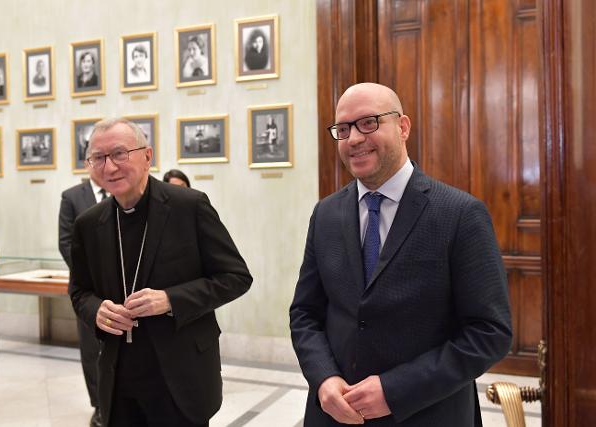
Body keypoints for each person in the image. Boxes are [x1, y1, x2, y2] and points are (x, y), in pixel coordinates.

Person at [289, 83, 512, 426]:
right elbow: (305, 313)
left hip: (428, 413)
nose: (353, 139)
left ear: (403, 126)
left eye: (368, 123)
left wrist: (395, 390)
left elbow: (489, 332)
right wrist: (323, 378)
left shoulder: (460, 213)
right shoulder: (326, 214)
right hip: (334, 415)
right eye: (343, 129)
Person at [68, 118, 252, 426]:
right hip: (119, 380)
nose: (109, 167)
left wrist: (170, 299)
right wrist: (96, 310)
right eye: (98, 158)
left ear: (147, 156)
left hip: (181, 378)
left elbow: (235, 277)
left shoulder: (188, 206)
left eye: (119, 154)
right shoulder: (88, 224)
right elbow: (79, 292)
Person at [58, 177, 108, 427]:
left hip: (124, 288)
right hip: (88, 291)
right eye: (97, 157)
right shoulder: (72, 197)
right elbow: (66, 242)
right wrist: (89, 277)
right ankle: (99, 405)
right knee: (91, 351)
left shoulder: (124, 190)